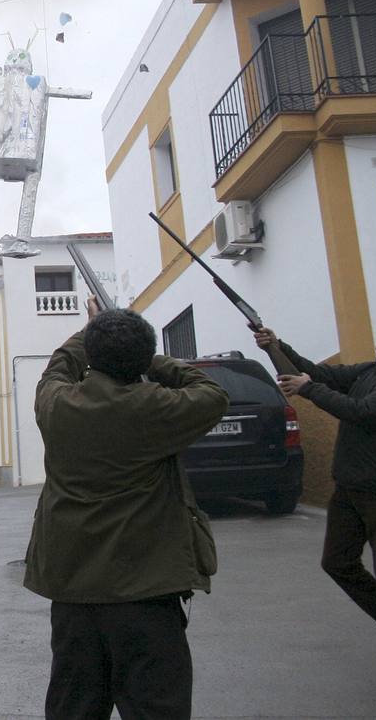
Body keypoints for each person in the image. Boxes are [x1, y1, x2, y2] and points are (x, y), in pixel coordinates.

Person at [24, 303, 228, 720]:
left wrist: (94, 332)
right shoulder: (156, 408)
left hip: (73, 597)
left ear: (93, 358)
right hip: (147, 597)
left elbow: (59, 365)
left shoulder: (57, 404)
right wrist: (149, 357)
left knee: (74, 708)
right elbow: (212, 393)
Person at [253, 315, 376, 671]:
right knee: (337, 563)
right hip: (349, 489)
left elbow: (360, 411)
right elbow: (320, 373)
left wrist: (308, 388)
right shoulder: (370, 371)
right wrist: (276, 345)